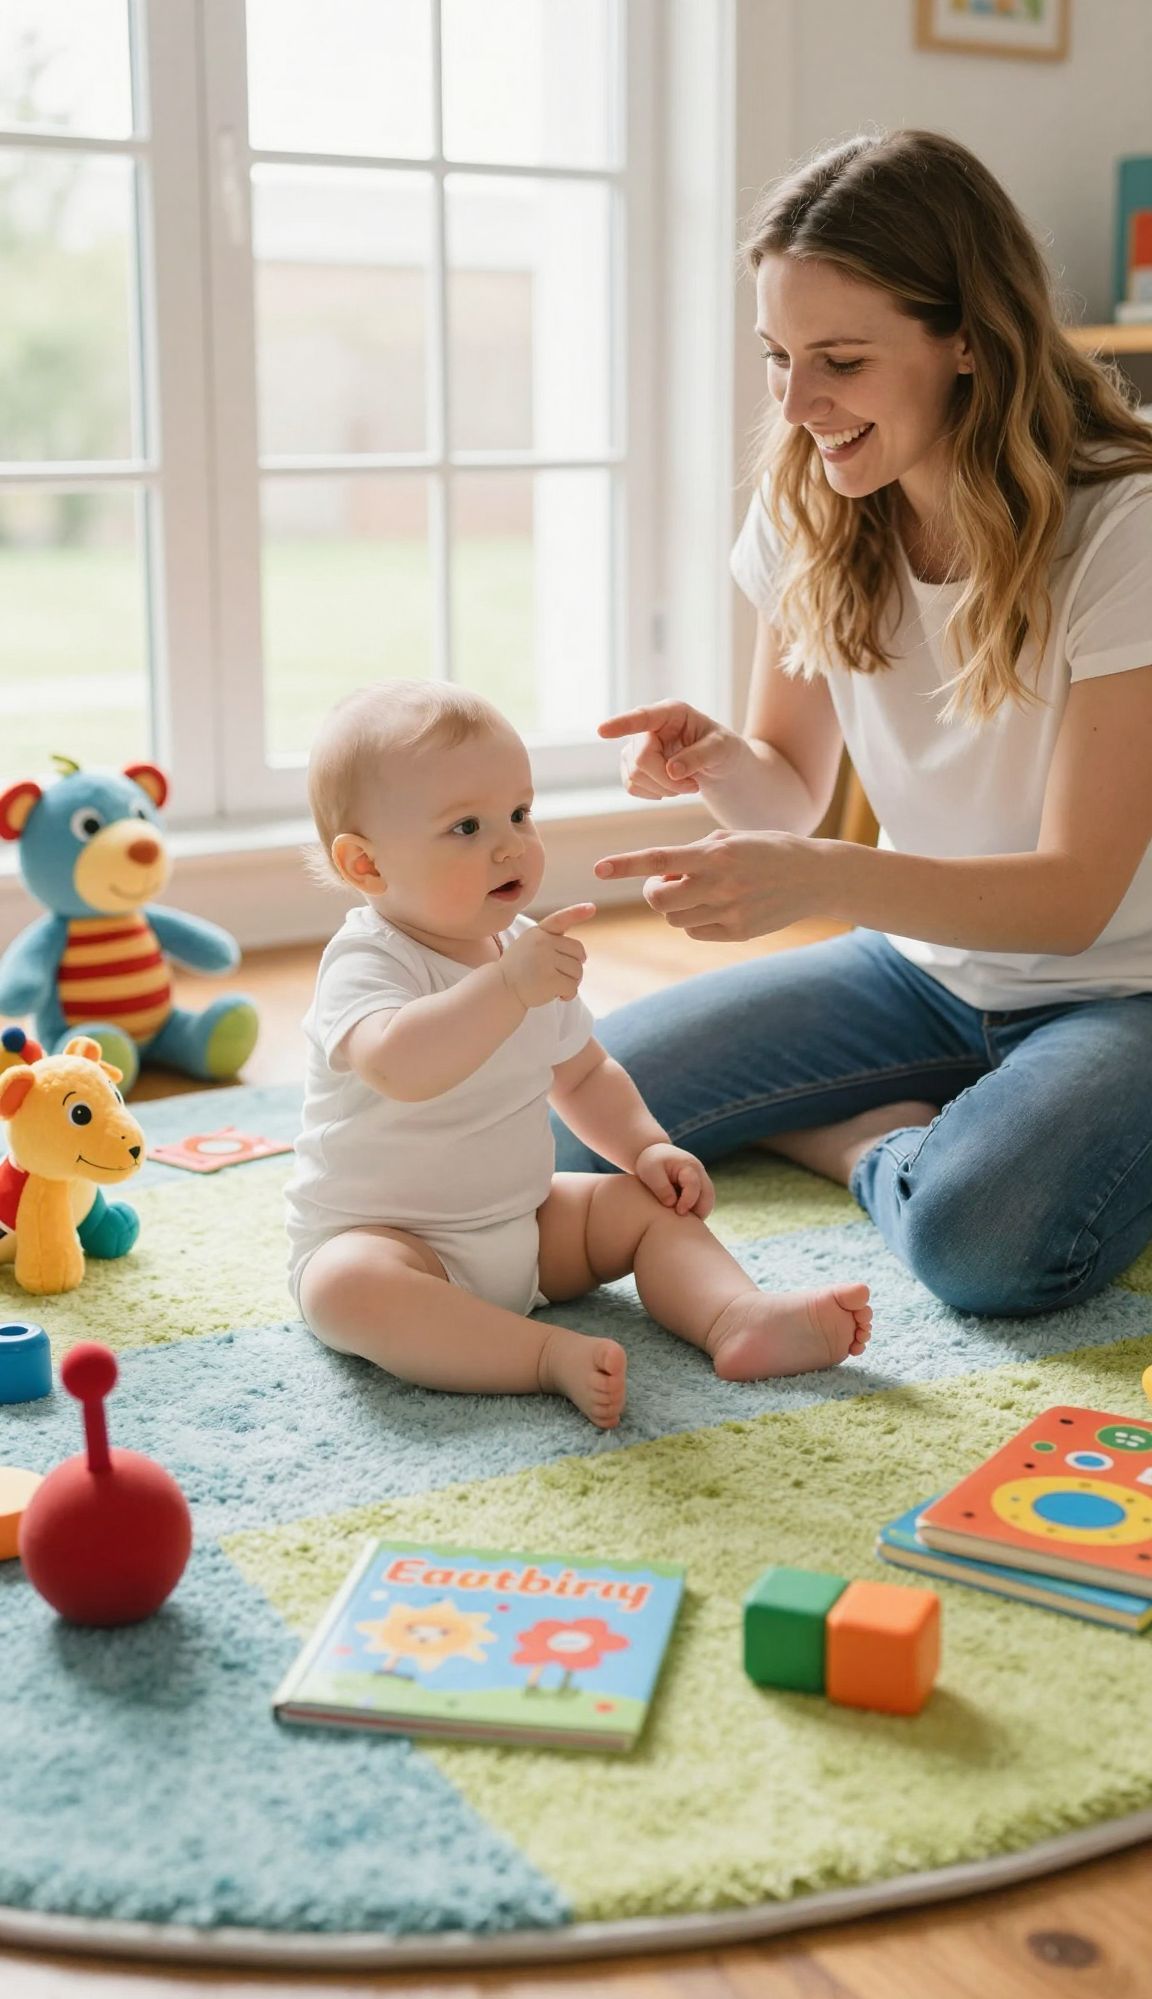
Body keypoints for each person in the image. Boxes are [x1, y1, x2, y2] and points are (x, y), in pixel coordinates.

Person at [555, 128, 1152, 1319]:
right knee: (568, 1128)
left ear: (967, 341)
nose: (798, 402)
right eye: (777, 354)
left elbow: (1076, 895)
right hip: (919, 968)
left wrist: (821, 873)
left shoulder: (1120, 527)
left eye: (839, 359)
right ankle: (922, 1127)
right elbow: (791, 788)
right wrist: (723, 761)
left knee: (985, 1238)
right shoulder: (823, 504)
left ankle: (861, 1143)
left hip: (1120, 985)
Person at [285, 681, 872, 1430]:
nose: (509, 844)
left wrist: (645, 1145)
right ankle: (537, 1355)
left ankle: (736, 1317)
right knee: (347, 1291)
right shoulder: (368, 961)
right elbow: (401, 1064)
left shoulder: (526, 951)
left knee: (642, 1208)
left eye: (519, 814)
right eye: (465, 827)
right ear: (366, 867)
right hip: (393, 1243)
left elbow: (585, 1071)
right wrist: (506, 986)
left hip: (524, 1227)